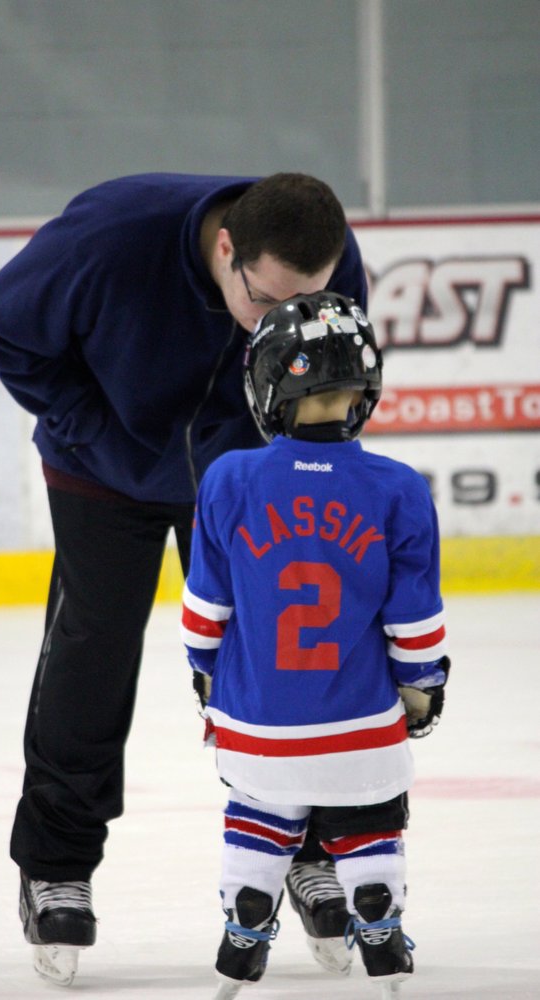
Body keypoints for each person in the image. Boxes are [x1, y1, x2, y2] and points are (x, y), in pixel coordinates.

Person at [0, 172, 368, 986]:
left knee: (279, 658)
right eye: (264, 302)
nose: (280, 324)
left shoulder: (321, 260)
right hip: (99, 469)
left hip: (238, 476)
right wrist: (89, 432)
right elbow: (3, 323)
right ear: (227, 250)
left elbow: (328, 376)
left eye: (302, 304)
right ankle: (55, 865)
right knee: (94, 645)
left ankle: (308, 846)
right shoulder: (110, 239)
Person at [181, 290, 450, 999]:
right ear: (365, 383)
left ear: (269, 381)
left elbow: (205, 610)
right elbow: (415, 623)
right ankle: (378, 915)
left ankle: (247, 919)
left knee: (258, 810)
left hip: (255, 731)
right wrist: (422, 690)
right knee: (369, 810)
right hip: (360, 729)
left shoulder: (229, 478)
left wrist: (205, 674)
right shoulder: (398, 488)